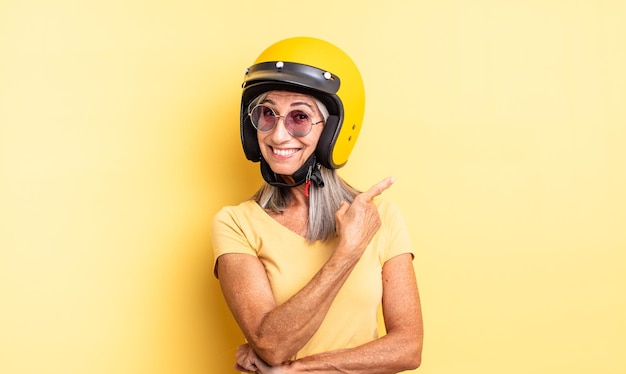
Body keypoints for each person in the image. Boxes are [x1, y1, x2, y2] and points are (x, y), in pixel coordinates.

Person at [211, 36, 423, 373]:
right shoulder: (235, 223)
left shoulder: (380, 217)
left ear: (333, 132)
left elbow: (408, 348)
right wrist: (347, 253)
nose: (278, 135)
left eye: (299, 117)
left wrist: (295, 370)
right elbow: (272, 344)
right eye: (268, 114)